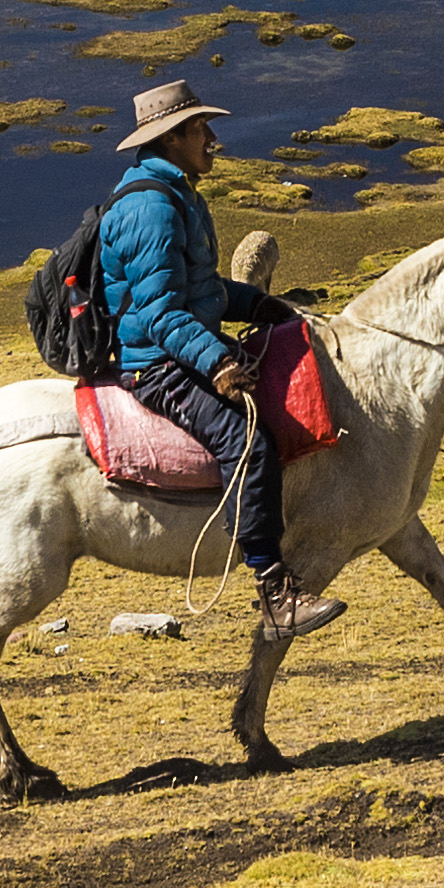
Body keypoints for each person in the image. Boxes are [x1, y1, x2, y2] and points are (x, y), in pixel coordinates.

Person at [87, 79, 337, 636]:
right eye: (201, 128)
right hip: (156, 363)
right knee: (245, 438)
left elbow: (201, 289)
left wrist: (264, 305)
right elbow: (158, 312)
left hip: (179, 345)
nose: (213, 138)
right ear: (173, 138)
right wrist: (219, 365)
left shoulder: (175, 194)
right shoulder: (153, 207)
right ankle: (274, 589)